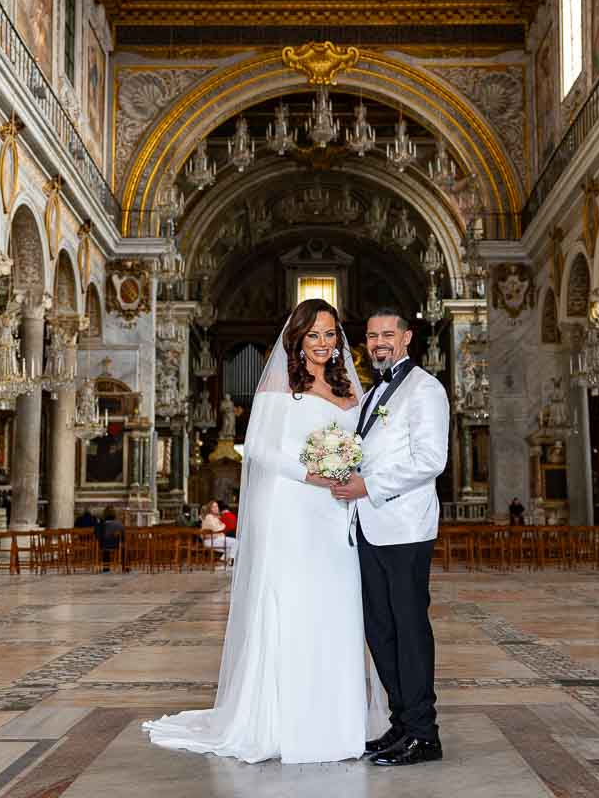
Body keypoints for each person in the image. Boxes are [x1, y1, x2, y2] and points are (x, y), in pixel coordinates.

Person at [144, 298, 381, 764]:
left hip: (336, 516)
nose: (322, 343)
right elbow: (257, 450)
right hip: (292, 511)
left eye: (330, 334)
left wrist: (346, 471)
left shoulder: (351, 393)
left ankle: (338, 722)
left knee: (336, 607)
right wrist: (311, 474)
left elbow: (361, 449)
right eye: (313, 334)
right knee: (289, 606)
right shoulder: (279, 387)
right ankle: (280, 721)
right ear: (297, 339)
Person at [331, 306, 450, 766]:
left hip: (404, 527)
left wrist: (369, 485)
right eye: (371, 335)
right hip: (368, 525)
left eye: (387, 334)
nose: (378, 341)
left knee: (409, 628)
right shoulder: (374, 392)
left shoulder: (425, 389)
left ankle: (424, 732)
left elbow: (430, 459)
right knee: (380, 629)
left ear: (406, 337)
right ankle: (402, 724)